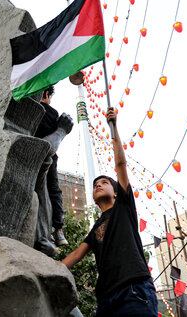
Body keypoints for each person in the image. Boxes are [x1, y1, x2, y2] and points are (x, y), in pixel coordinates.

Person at [61, 108, 157, 316]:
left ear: (116, 193)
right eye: (96, 184)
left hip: (134, 290)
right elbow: (77, 254)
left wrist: (114, 127)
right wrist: (54, 268)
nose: (98, 185)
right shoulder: (96, 228)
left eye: (105, 183)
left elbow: (120, 164)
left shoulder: (124, 207)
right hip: (106, 299)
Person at [34, 85, 69, 248]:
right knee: (54, 191)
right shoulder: (51, 113)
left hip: (36, 157)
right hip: (48, 157)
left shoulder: (29, 110)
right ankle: (59, 230)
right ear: (46, 93)